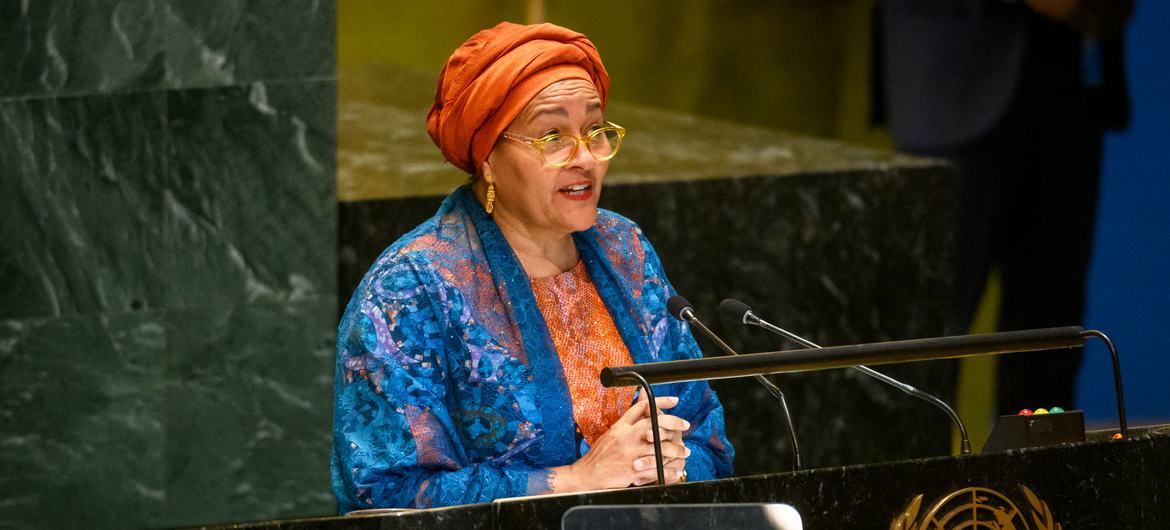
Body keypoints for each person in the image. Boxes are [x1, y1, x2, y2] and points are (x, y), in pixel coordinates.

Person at [330, 22, 734, 512]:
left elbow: (704, 428)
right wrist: (577, 479)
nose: (585, 157)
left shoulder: (624, 248)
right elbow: (384, 493)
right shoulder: (411, 288)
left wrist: (676, 465)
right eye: (552, 136)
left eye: (594, 129)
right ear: (487, 158)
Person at [880, 0, 1132, 414]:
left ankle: (1032, 482)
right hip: (953, 78)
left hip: (1074, 79)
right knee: (923, 354)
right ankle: (914, 483)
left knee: (1050, 347)